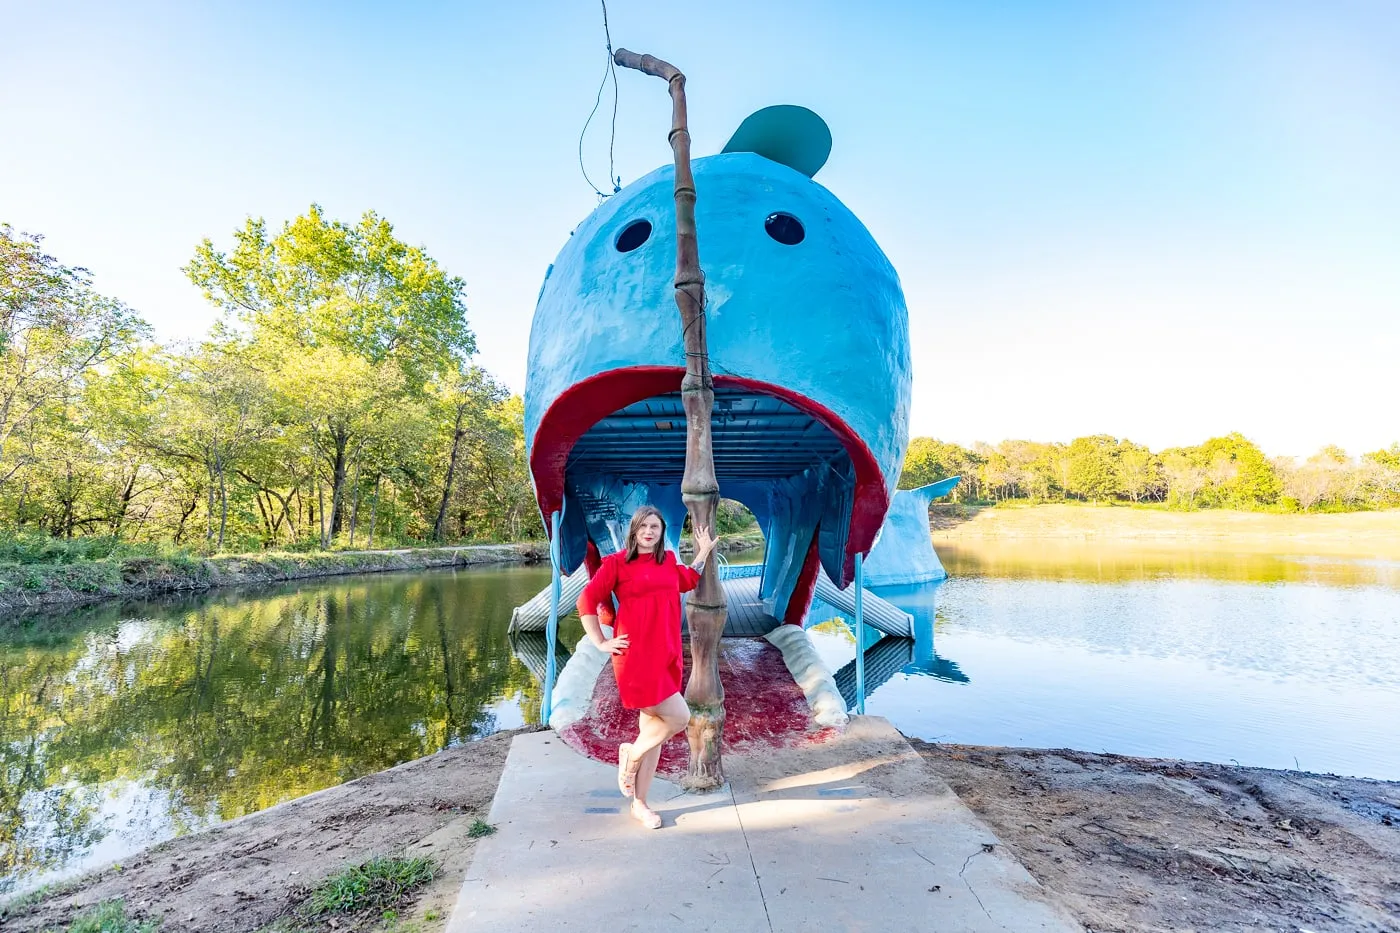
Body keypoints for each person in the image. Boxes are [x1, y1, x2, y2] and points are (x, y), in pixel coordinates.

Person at [576, 505, 718, 830]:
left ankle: (640, 804)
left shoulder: (668, 562)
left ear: (660, 531)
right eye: (644, 526)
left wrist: (704, 552)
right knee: (679, 717)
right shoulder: (615, 564)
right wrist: (601, 641)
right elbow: (587, 600)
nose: (649, 532)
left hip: (666, 656)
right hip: (635, 657)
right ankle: (631, 754)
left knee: (654, 729)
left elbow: (687, 580)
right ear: (635, 531)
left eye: (655, 526)